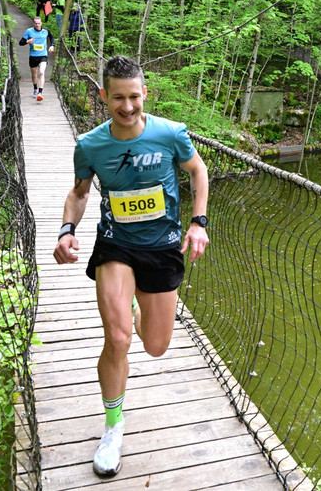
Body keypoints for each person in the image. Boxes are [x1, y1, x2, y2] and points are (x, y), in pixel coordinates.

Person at [52, 55, 210, 478]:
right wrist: (66, 229)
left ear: (146, 94)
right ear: (104, 96)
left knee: (155, 346)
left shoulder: (171, 134)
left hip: (161, 247)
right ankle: (113, 425)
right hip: (116, 246)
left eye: (134, 97)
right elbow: (80, 193)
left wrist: (198, 222)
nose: (127, 106)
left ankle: (136, 309)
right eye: (118, 98)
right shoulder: (90, 145)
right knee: (118, 337)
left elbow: (198, 171)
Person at [19, 16, 54, 101]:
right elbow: (21, 43)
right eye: (36, 23)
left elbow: (51, 37)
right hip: (33, 56)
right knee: (34, 75)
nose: (37, 25)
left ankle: (40, 93)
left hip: (43, 55)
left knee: (41, 72)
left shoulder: (45, 31)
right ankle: (35, 88)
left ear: (41, 23)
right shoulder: (29, 31)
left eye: (39, 23)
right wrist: (28, 41)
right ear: (33, 23)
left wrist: (52, 45)